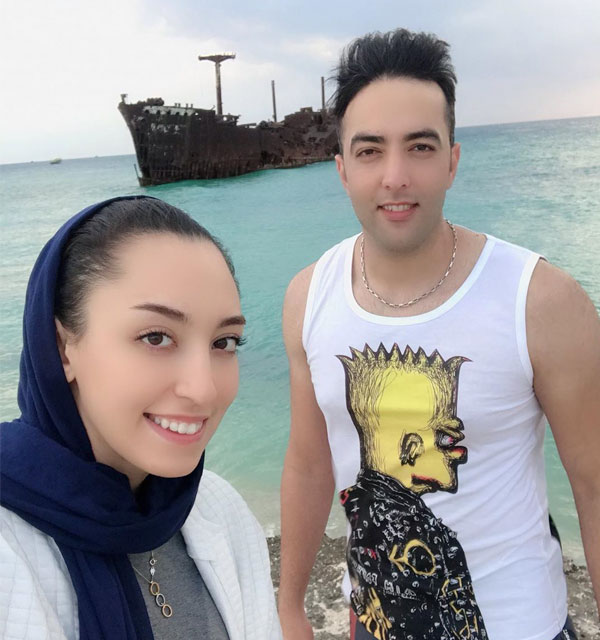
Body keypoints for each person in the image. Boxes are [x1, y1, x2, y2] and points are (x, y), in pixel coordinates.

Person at [278, 29, 600, 640]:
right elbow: (309, 463)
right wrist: (290, 607)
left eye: (420, 147)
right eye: (370, 151)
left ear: (452, 160)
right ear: (342, 169)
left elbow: (594, 483)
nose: (396, 176)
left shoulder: (540, 301)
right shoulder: (308, 297)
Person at [0, 195, 281, 639]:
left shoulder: (219, 509)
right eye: (156, 337)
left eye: (224, 342)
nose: (203, 389)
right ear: (61, 349)